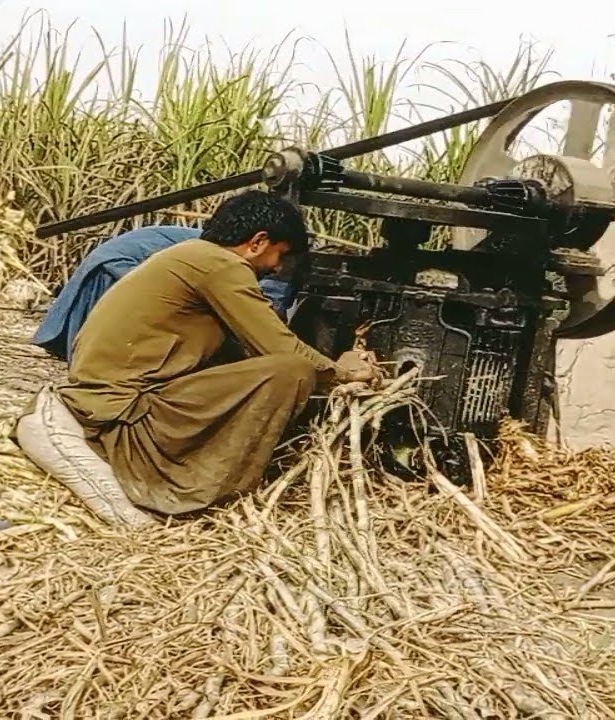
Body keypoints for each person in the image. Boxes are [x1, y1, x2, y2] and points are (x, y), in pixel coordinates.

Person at [52, 190, 381, 516]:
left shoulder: (192, 255)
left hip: (105, 404)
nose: (278, 268)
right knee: (292, 372)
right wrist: (346, 372)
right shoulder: (221, 266)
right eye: (280, 255)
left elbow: (248, 351)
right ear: (258, 242)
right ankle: (204, 490)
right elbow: (281, 348)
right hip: (124, 421)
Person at [32, 225, 300, 364]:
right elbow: (263, 309)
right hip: (117, 267)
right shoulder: (224, 260)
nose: (277, 266)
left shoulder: (231, 250)